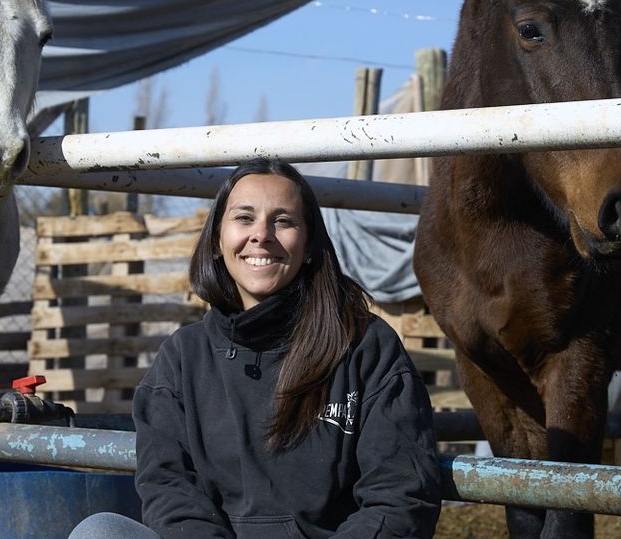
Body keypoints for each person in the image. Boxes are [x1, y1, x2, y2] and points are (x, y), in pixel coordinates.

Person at [70, 159, 441, 539]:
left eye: (283, 221)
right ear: (218, 240)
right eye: (244, 218)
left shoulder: (364, 348)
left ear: (310, 244)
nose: (261, 235)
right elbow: (171, 494)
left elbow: (399, 497)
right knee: (99, 532)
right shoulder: (182, 359)